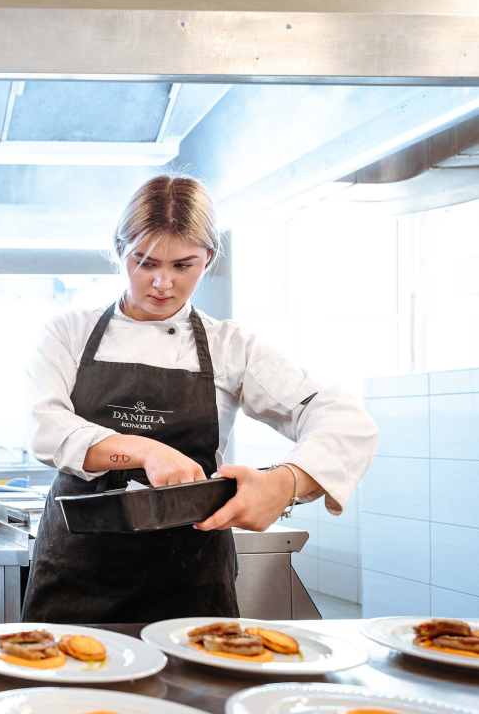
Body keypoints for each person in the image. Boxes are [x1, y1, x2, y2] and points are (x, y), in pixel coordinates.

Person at [21, 175, 379, 624]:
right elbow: (46, 427)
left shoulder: (232, 347)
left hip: (189, 577)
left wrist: (286, 482)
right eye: (144, 261)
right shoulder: (68, 332)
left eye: (184, 265)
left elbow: (346, 421)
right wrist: (146, 450)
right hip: (77, 567)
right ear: (118, 250)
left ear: (208, 259)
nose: (162, 283)